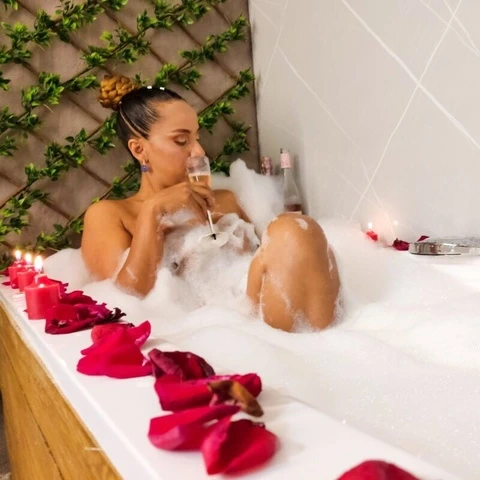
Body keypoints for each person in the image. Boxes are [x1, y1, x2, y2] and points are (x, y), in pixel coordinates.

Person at [81, 75, 340, 332]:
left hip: (256, 327)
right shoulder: (110, 215)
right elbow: (125, 301)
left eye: (197, 138)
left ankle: (318, 345)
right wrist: (153, 211)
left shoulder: (227, 200)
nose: (199, 152)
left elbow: (283, 262)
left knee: (294, 229)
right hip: (193, 333)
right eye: (181, 140)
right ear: (139, 150)